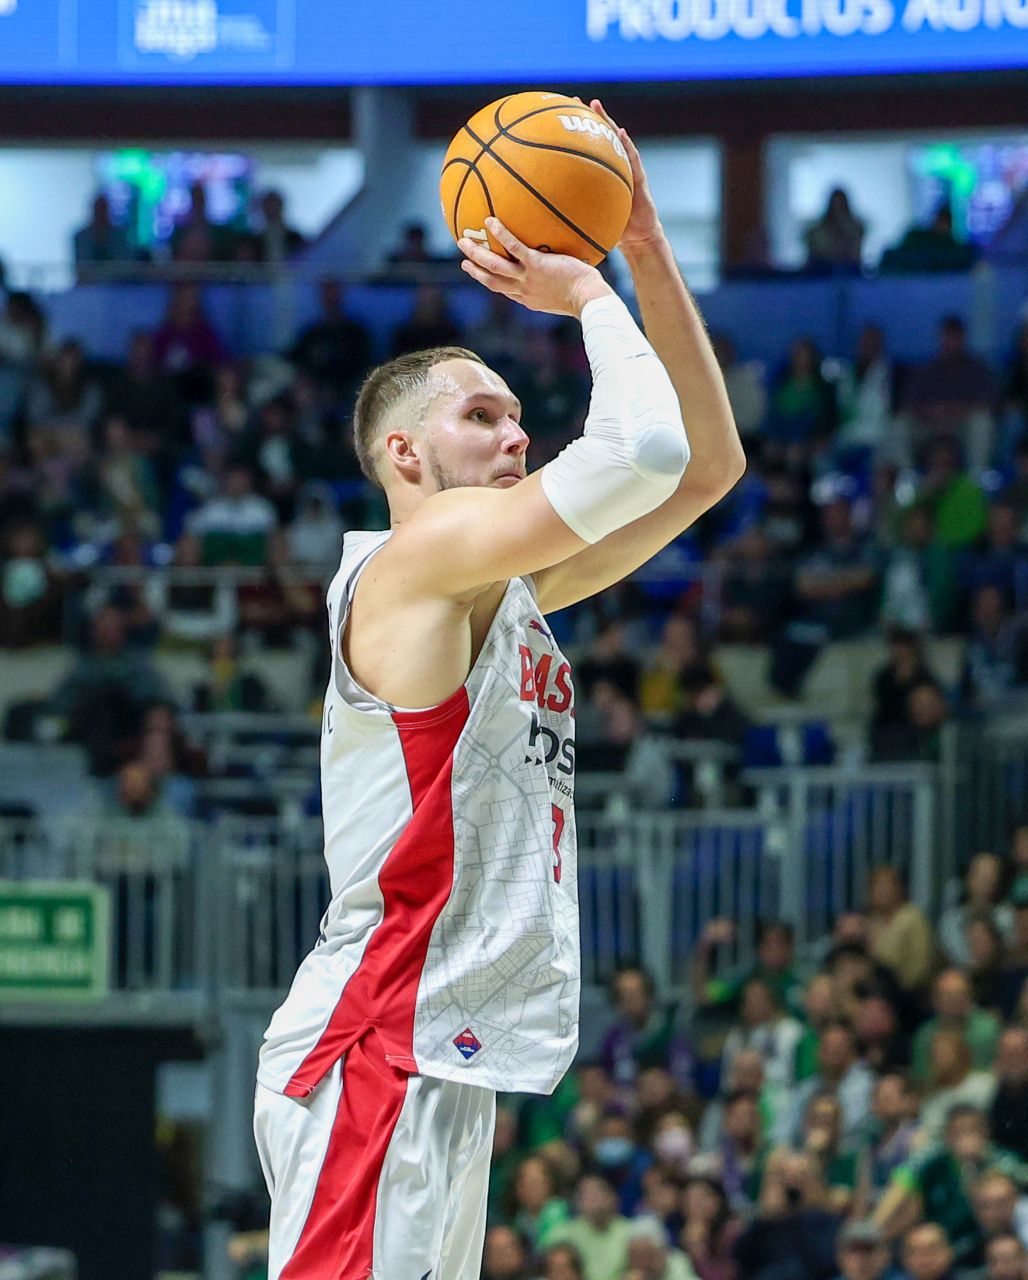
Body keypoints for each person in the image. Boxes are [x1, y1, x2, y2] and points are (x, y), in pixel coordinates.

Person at [252, 103, 745, 1279]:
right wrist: (585, 294)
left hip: (437, 1051)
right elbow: (644, 454)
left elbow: (710, 463)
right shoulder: (409, 562)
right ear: (404, 458)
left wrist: (649, 248)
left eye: (523, 419)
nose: (518, 437)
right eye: (484, 416)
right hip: (375, 1041)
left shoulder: (501, 588)